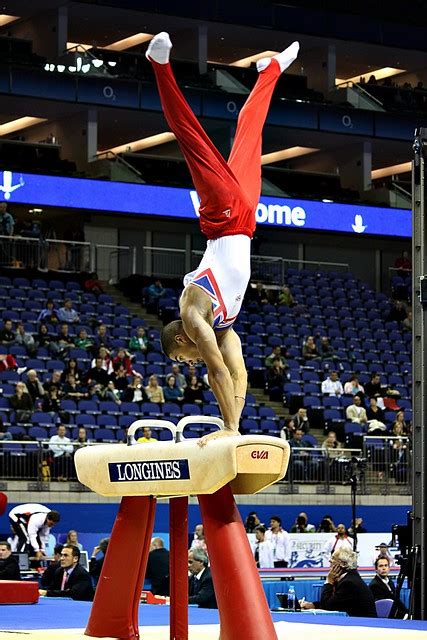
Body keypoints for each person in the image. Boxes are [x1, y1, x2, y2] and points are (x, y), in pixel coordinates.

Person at [147, 32, 300, 441]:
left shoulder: (192, 313)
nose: (190, 362)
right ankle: (269, 72)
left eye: (184, 357)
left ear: (182, 337)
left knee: (192, 139)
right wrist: (236, 429)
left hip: (221, 216)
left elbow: (216, 369)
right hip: (246, 220)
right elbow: (239, 372)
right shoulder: (225, 327)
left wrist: (229, 428)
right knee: (251, 134)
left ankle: (159, 65)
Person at [301, 548, 377, 617]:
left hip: (364, 626)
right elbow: (334, 602)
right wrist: (312, 605)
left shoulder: (349, 583)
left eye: (333, 558)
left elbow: (328, 607)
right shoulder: (349, 577)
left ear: (343, 564)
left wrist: (328, 582)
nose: (330, 561)